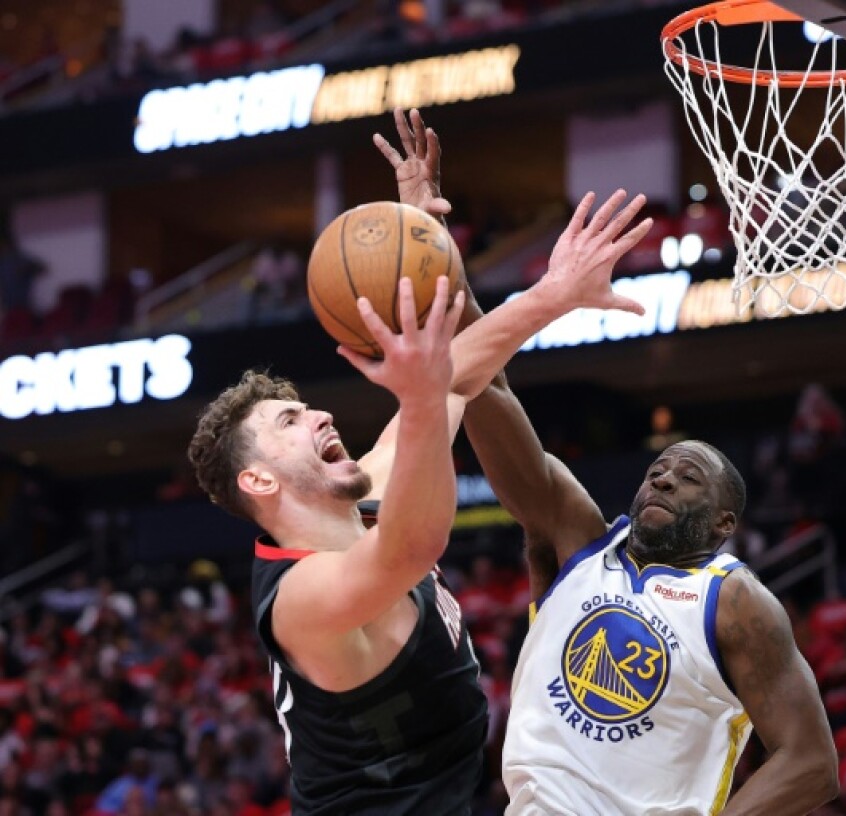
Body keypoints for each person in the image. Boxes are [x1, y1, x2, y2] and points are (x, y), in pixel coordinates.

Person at [187, 108, 654, 814]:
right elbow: (413, 544)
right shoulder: (299, 602)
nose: (320, 414)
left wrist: (441, 257)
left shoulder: (367, 490)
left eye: (308, 407)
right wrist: (426, 395)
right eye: (290, 420)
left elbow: (460, 374)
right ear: (258, 480)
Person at [452, 162, 837, 813]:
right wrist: (432, 236)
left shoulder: (735, 602)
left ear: (722, 523)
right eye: (659, 468)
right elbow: (483, 381)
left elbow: (811, 763)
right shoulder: (578, 542)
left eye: (689, 479)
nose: (663, 475)